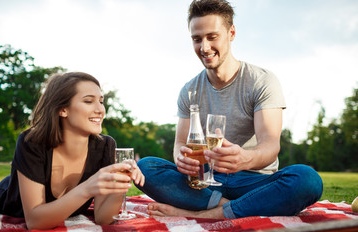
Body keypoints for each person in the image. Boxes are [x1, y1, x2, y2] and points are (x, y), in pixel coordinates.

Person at [135, 0, 322, 219]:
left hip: (254, 181)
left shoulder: (262, 81)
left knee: (307, 179)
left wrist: (245, 158)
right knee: (146, 168)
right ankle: (234, 208)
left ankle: (206, 213)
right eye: (197, 39)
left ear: (231, 33)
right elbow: (180, 144)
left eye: (212, 37)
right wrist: (180, 158)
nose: (204, 47)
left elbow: (270, 144)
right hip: (205, 182)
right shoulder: (189, 90)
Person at [0, 72, 145, 229]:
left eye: (101, 102)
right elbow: (35, 221)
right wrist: (87, 187)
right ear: (63, 109)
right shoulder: (32, 143)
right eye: (88, 101)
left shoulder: (105, 146)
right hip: (7, 205)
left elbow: (103, 218)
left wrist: (120, 182)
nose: (100, 110)